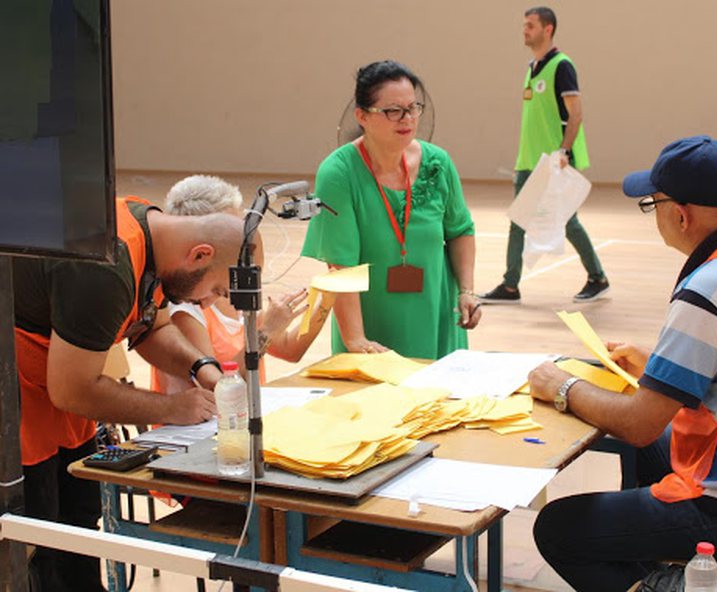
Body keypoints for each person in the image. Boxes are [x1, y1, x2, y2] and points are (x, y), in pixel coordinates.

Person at [527, 135, 717, 592]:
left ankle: (662, 584)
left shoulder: (709, 290)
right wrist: (659, 366)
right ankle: (661, 568)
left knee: (558, 528)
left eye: (652, 204)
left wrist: (562, 386)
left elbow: (639, 424)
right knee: (654, 452)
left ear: (681, 214)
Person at [14, 195, 249, 591]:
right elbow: (73, 390)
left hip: (63, 399)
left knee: (79, 524)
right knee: (39, 543)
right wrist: (171, 407)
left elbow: (150, 327)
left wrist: (203, 370)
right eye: (216, 288)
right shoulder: (105, 264)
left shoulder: (156, 236)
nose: (207, 301)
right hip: (21, 405)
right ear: (199, 254)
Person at [301, 60, 481, 359]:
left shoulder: (438, 163)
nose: (407, 119)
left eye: (413, 108)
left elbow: (460, 230)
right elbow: (341, 266)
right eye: (392, 111)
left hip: (438, 315)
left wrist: (467, 291)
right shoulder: (339, 173)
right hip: (373, 326)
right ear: (362, 116)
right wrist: (356, 339)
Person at [152, 175, 334, 394]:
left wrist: (329, 296)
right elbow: (216, 388)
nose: (241, 234)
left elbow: (289, 350)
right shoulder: (184, 307)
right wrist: (266, 331)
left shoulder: (230, 285)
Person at [480, 6, 609, 304]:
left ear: (547, 29)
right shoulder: (531, 67)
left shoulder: (562, 66)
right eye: (523, 25)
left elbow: (576, 114)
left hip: (554, 160)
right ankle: (510, 286)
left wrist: (564, 150)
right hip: (528, 161)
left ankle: (598, 278)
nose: (524, 30)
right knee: (518, 221)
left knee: (566, 222)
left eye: (530, 25)